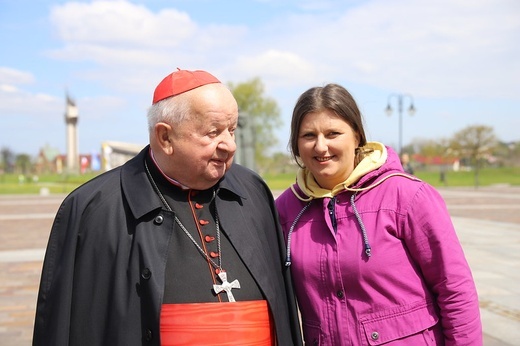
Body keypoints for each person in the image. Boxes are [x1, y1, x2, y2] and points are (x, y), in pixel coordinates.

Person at [33, 69, 303, 346]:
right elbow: (65, 328)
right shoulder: (93, 209)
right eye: (213, 132)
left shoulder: (252, 190)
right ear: (165, 138)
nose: (230, 145)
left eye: (232, 130)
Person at [275, 83, 482, 345]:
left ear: (357, 136)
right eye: (308, 136)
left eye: (333, 133)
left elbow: (455, 289)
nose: (320, 146)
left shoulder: (407, 196)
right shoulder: (285, 210)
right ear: (296, 143)